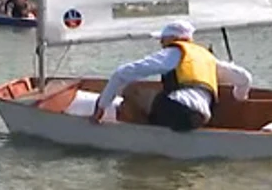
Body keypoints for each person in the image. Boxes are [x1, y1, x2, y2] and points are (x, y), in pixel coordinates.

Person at [91, 19, 253, 132]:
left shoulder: (174, 52)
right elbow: (245, 78)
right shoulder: (207, 57)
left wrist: (101, 107)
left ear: (172, 39)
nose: (161, 43)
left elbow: (121, 73)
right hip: (201, 116)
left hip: (177, 110)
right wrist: (239, 98)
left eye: (163, 39)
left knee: (131, 89)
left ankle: (145, 137)